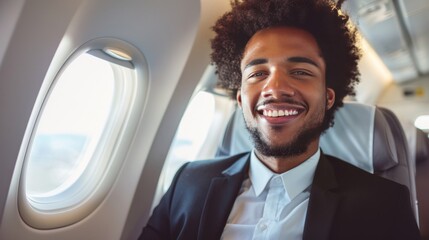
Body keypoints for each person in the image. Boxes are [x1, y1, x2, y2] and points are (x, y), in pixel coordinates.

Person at [140, 0, 421, 239]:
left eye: (300, 71)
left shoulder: (383, 205)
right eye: (258, 73)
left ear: (328, 98)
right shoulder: (187, 183)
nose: (274, 88)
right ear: (240, 99)